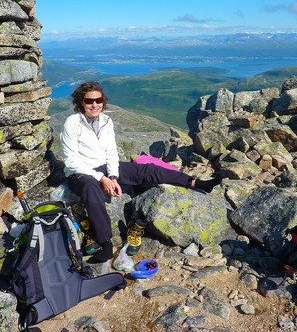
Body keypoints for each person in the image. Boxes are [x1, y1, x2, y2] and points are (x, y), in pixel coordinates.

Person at [60, 81, 221, 263]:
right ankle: (105, 243)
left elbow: (111, 151)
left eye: (98, 100)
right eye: (90, 101)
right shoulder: (72, 123)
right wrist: (102, 179)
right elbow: (71, 161)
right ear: (81, 102)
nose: (95, 104)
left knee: (147, 169)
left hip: (104, 167)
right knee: (91, 188)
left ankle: (196, 183)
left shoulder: (106, 121)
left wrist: (113, 176)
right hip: (80, 172)